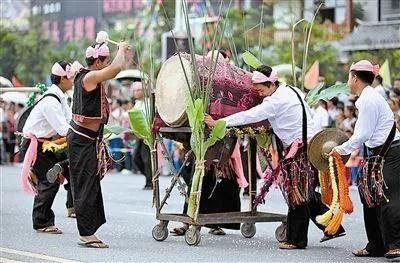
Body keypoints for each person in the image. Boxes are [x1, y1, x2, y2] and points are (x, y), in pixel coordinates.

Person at [205, 65, 345, 249]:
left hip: (299, 149)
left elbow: (249, 115)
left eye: (261, 89)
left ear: (271, 84)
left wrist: (219, 122)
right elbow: (307, 115)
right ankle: (333, 226)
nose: (259, 94)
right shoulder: (293, 91)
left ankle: (296, 240)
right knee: (306, 192)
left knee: (297, 194)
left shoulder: (274, 102)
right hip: (311, 145)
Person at [330, 60, 400, 259]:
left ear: (354, 77)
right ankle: (376, 245)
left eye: (348, 77)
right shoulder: (367, 97)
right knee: (369, 198)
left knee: (388, 199)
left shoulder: (368, 99)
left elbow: (362, 135)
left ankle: (395, 245)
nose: (348, 81)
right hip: (378, 154)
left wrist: (339, 149)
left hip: (390, 153)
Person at [67, 41, 131, 248]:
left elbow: (114, 67)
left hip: (87, 139)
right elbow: (116, 69)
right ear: (97, 62)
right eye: (105, 60)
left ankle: (89, 230)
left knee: (90, 184)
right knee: (85, 185)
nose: (108, 64)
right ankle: (86, 234)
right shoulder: (89, 76)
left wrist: (120, 52)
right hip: (82, 139)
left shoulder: (86, 73)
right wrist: (121, 49)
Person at [21, 60, 78, 234]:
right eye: (70, 77)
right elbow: (63, 128)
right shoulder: (51, 102)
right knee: (49, 180)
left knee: (68, 169)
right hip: (36, 145)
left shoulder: (61, 97)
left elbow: (70, 121)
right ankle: (41, 222)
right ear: (62, 79)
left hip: (48, 143)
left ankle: (71, 205)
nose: (72, 80)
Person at [131, 81, 152, 190]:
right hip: (139, 135)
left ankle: (149, 182)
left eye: (138, 90)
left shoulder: (149, 103)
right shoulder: (137, 104)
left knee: (147, 159)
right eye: (134, 90)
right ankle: (149, 176)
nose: (136, 93)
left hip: (148, 134)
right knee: (136, 158)